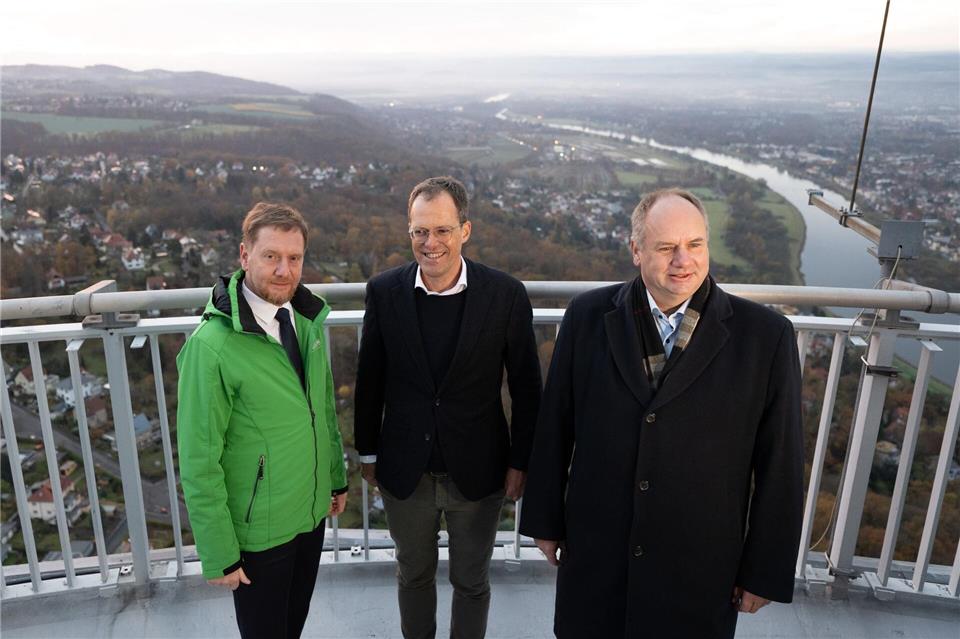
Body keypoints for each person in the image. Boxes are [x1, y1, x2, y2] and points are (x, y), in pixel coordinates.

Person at [520, 188, 803, 638]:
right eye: (666, 247)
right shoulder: (586, 317)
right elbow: (556, 426)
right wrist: (545, 521)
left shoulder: (766, 338)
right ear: (636, 250)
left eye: (694, 245)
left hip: (699, 565)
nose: (683, 261)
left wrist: (763, 570)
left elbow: (780, 465)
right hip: (597, 553)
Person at [354, 176, 542, 639]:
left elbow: (526, 387)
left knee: (471, 582)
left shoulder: (505, 295)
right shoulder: (384, 291)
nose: (430, 242)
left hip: (479, 472)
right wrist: (369, 454)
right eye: (420, 231)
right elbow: (370, 379)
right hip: (405, 472)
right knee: (412, 577)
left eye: (441, 230)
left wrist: (521, 461)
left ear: (465, 230)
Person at [176, 202, 347, 639]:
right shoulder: (211, 347)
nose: (284, 271)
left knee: (293, 626)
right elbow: (198, 458)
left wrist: (334, 479)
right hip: (259, 532)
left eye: (294, 258)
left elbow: (321, 410)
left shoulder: (304, 320)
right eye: (271, 256)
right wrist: (218, 552)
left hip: (309, 516)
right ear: (244, 255)